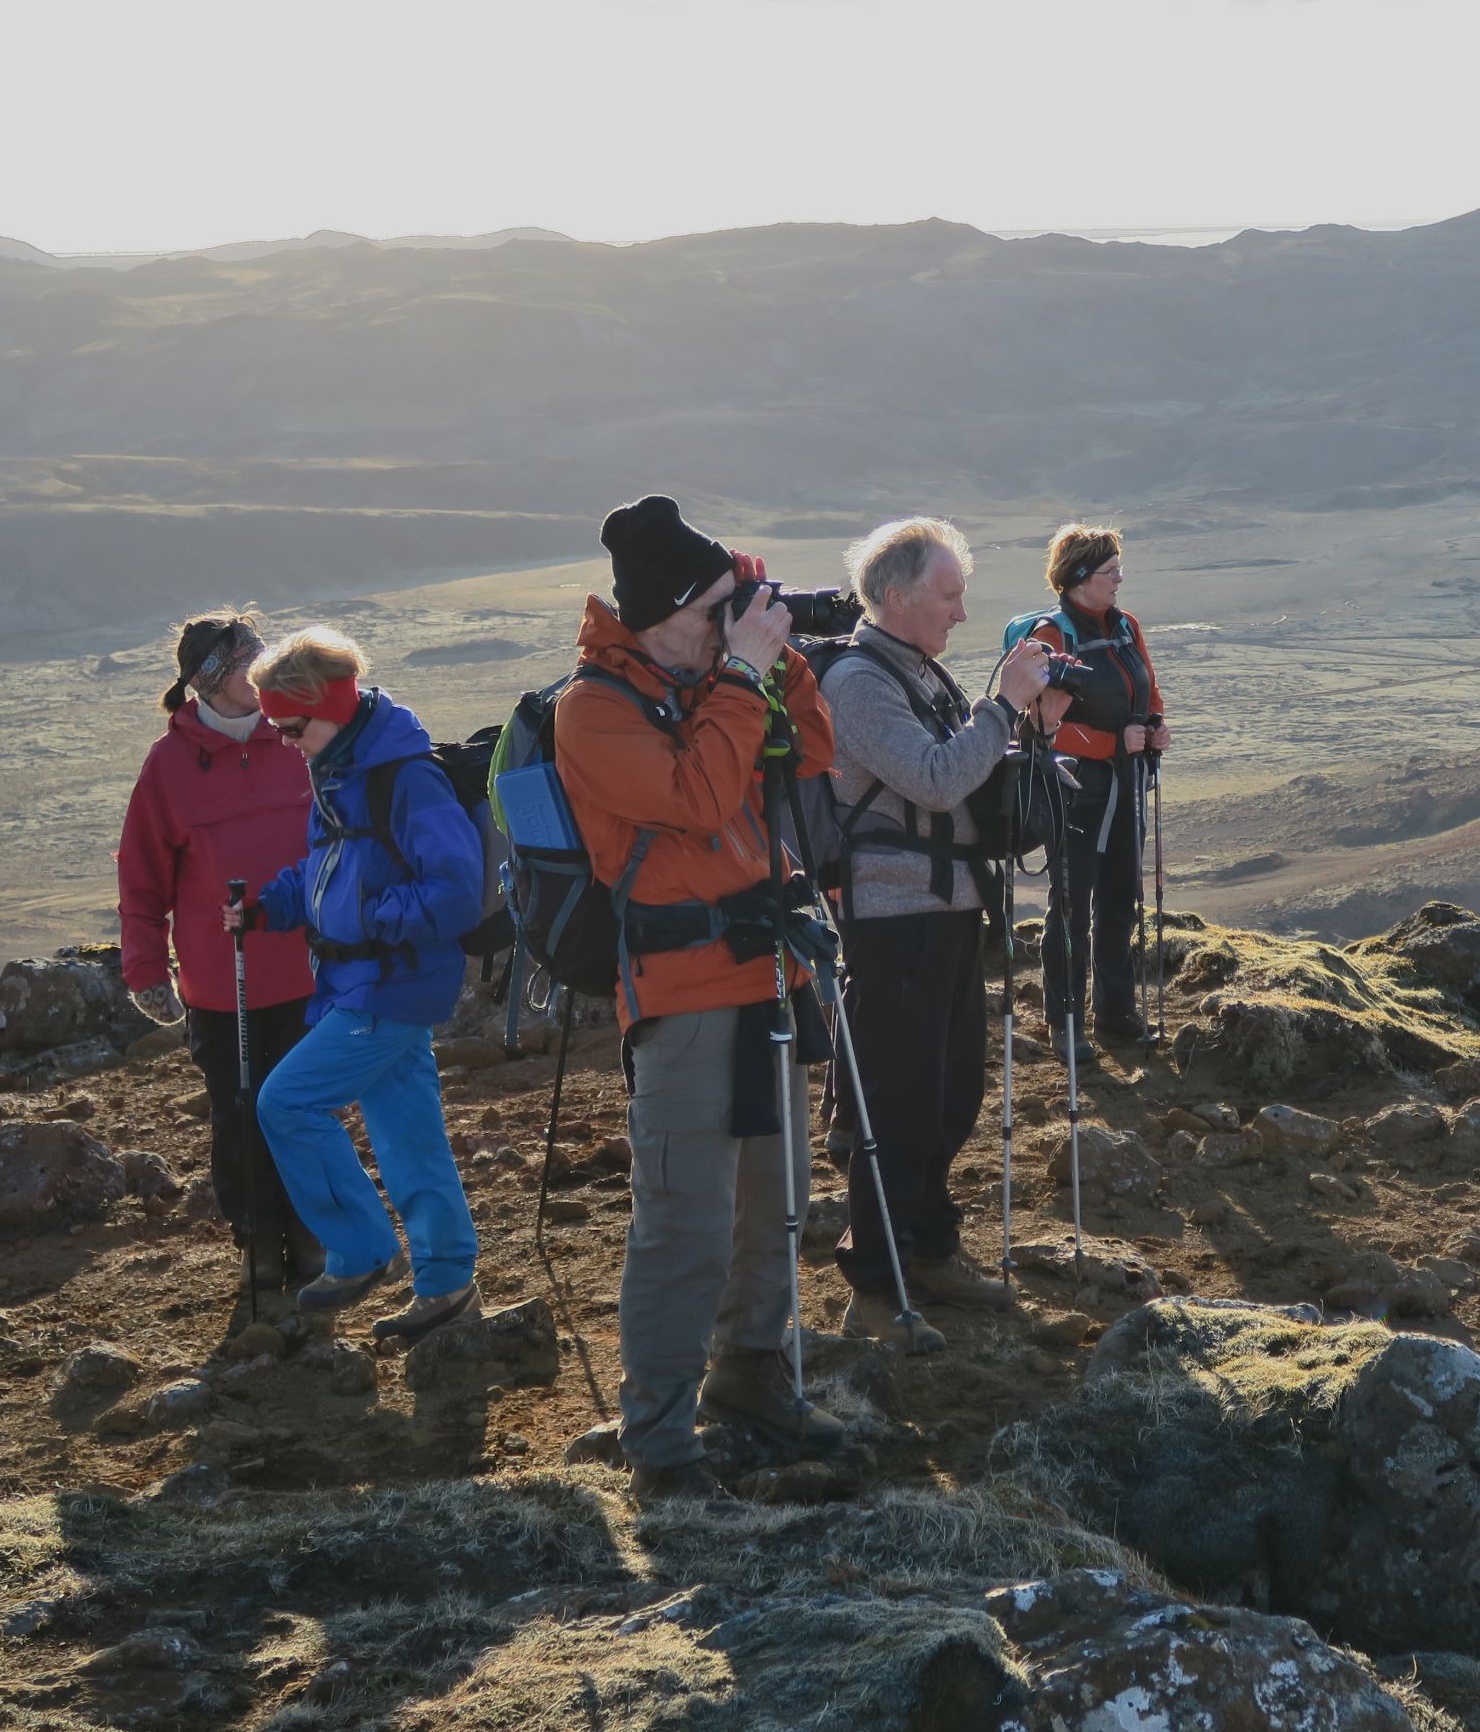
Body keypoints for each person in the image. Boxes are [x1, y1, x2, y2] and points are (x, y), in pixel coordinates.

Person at [553, 495, 842, 1492]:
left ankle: (751, 1375)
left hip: (768, 971)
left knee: (776, 1205)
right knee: (685, 1228)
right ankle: (662, 1445)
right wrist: (744, 674)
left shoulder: (712, 681)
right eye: (718, 606)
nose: (732, 622)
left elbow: (811, 751)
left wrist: (775, 657)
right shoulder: (592, 709)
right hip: (682, 993)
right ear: (664, 612)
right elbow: (700, 798)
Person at [820, 517, 1062, 1348]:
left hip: (948, 910)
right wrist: (1004, 704)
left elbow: (968, 774)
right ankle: (876, 1289)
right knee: (899, 1107)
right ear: (895, 597)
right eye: (949, 596)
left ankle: (929, 1250)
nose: (961, 613)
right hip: (896, 923)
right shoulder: (860, 682)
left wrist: (1028, 721)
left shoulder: (918, 671)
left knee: (950, 1096)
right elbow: (933, 779)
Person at [218, 629, 484, 1348]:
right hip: (361, 981)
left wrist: (368, 920)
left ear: (330, 707)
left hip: (390, 985)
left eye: (291, 727)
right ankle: (447, 1284)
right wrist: (269, 907)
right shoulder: (338, 770)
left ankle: (361, 1250)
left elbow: (457, 892)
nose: (285, 742)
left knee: (286, 1102)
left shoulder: (405, 779)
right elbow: (324, 870)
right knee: (409, 1137)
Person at [116, 609, 322, 1295]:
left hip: (309, 972)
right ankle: (257, 1239)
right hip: (221, 985)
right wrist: (146, 970)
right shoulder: (169, 765)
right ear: (209, 680)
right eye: (247, 660)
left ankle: (311, 1232)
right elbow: (142, 877)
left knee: (306, 1109)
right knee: (239, 1116)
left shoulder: (298, 736)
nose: (264, 667)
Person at [1019, 524, 1169, 1057]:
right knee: (1071, 904)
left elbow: (1146, 687)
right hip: (1075, 791)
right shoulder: (1052, 635)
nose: (1119, 579)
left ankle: (1115, 1011)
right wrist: (1112, 743)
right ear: (1080, 576)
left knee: (1121, 898)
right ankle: (1064, 1021)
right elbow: (1039, 723)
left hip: (1126, 784)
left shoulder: (1126, 627)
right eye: (1110, 571)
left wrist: (1155, 726)